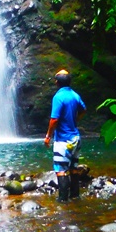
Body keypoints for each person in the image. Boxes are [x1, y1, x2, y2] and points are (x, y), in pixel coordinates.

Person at [44, 69, 86, 202]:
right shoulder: (75, 95)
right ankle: (75, 196)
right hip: (76, 138)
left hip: (64, 140)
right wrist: (75, 120)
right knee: (73, 168)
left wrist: (48, 136)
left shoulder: (58, 97)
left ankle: (63, 200)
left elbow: (54, 119)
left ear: (57, 82)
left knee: (60, 170)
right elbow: (83, 109)